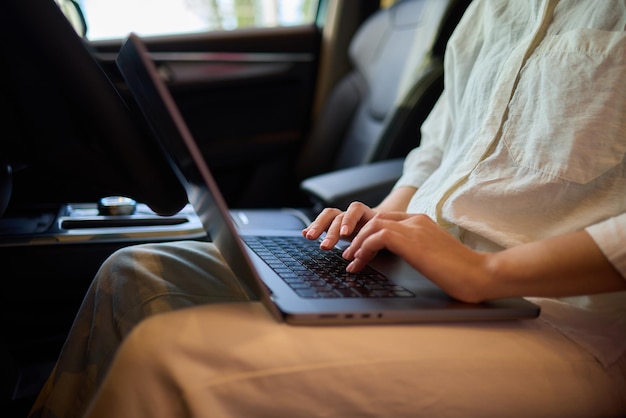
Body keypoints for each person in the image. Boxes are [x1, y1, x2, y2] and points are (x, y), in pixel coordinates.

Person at [30, 0, 626, 417]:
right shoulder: (490, 9)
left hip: (565, 321)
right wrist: (383, 222)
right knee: (133, 274)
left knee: (173, 357)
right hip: (427, 279)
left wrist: (487, 273)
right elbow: (441, 146)